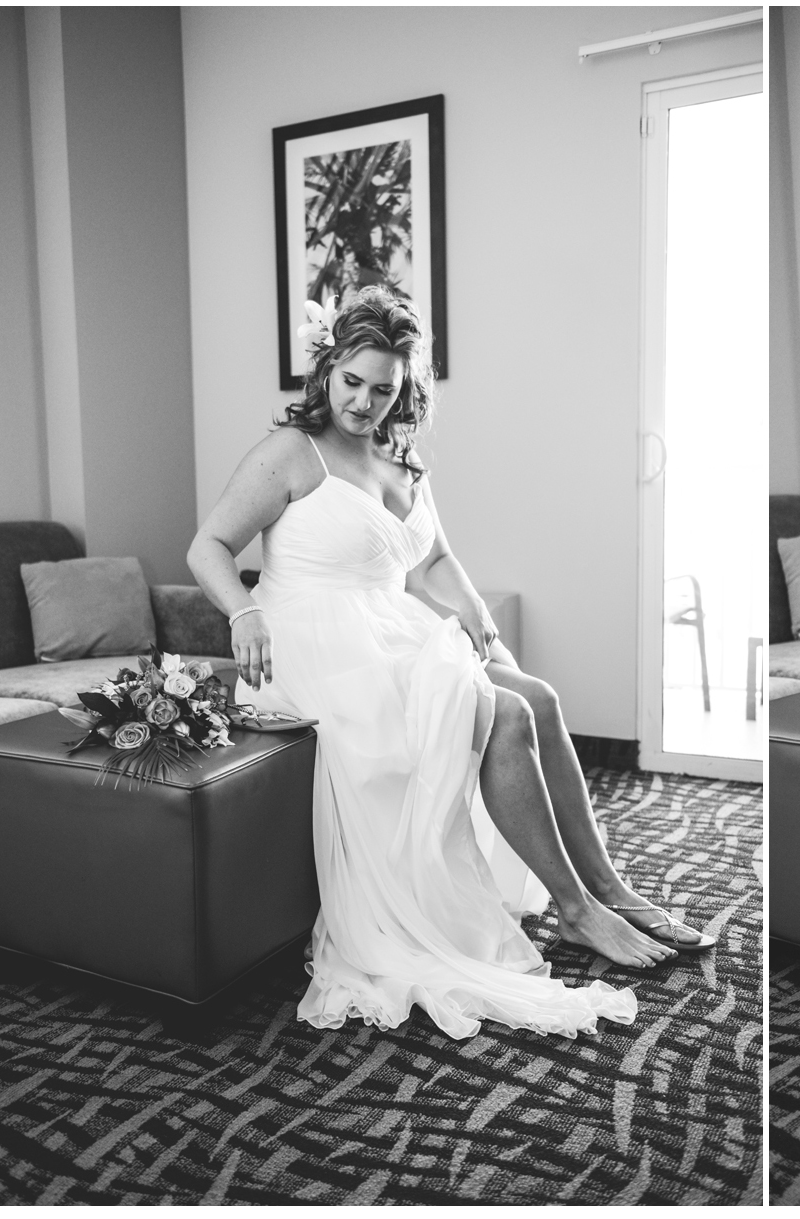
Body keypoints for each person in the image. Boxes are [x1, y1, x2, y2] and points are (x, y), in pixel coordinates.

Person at [188, 288, 712, 1042]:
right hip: (316, 649)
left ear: (406, 391)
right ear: (327, 369)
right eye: (353, 382)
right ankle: (575, 905)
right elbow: (207, 545)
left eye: (384, 389)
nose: (365, 402)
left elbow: (432, 558)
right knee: (502, 711)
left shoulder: (400, 455)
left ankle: (608, 884)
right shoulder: (288, 454)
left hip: (387, 630)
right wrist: (243, 611)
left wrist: (479, 622)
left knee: (538, 693)